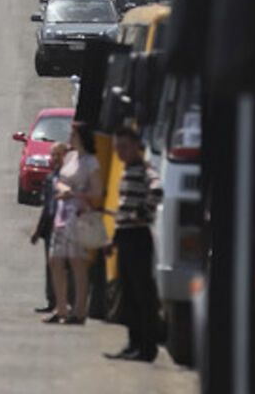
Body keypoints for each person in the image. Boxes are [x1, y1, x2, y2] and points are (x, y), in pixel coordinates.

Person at [105, 126, 164, 362]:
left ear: (136, 147)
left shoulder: (144, 169)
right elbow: (122, 210)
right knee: (128, 294)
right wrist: (114, 240)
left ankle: (147, 347)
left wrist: (143, 212)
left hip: (138, 237)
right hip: (126, 236)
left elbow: (157, 190)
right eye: (117, 147)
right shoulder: (127, 170)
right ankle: (134, 343)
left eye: (125, 147)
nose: (120, 152)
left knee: (143, 295)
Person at [45, 121, 102, 325]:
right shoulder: (69, 157)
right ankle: (61, 308)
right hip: (62, 214)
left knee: (77, 263)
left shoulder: (90, 162)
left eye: (73, 134)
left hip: (78, 215)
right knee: (55, 261)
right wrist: (62, 188)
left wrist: (74, 193)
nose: (70, 138)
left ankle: (79, 311)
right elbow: (60, 179)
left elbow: (96, 192)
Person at [30, 142, 69, 314]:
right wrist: (38, 232)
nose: (54, 159)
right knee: (51, 265)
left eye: (58, 155)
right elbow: (46, 207)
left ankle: (66, 302)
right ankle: (52, 300)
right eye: (52, 155)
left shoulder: (69, 177)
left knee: (65, 264)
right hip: (50, 226)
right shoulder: (49, 178)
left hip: (66, 225)